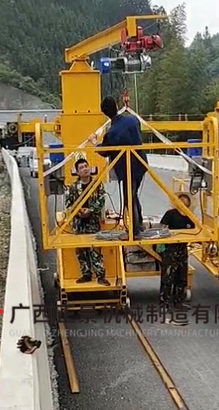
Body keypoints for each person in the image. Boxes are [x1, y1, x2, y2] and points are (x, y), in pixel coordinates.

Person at [88, 96, 148, 239]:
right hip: (141, 164)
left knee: (129, 198)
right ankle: (139, 225)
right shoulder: (133, 120)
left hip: (126, 168)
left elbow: (104, 151)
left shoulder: (112, 133)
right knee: (133, 195)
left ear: (104, 113)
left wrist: (94, 142)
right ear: (116, 105)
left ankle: (135, 232)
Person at [65, 158, 110, 286]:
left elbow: (101, 200)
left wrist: (90, 210)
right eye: (81, 167)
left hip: (93, 221)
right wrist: (78, 212)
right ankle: (86, 274)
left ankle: (100, 275)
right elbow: (69, 205)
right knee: (81, 250)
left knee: (95, 250)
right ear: (77, 172)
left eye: (86, 166)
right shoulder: (73, 188)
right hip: (79, 223)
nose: (85, 169)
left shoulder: (97, 185)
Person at [158, 192, 195, 325]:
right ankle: (164, 303)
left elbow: (195, 230)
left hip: (182, 250)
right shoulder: (170, 214)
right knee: (168, 277)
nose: (184, 203)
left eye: (186, 201)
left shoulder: (190, 217)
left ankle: (179, 301)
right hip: (170, 249)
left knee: (181, 276)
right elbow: (162, 228)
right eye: (181, 201)